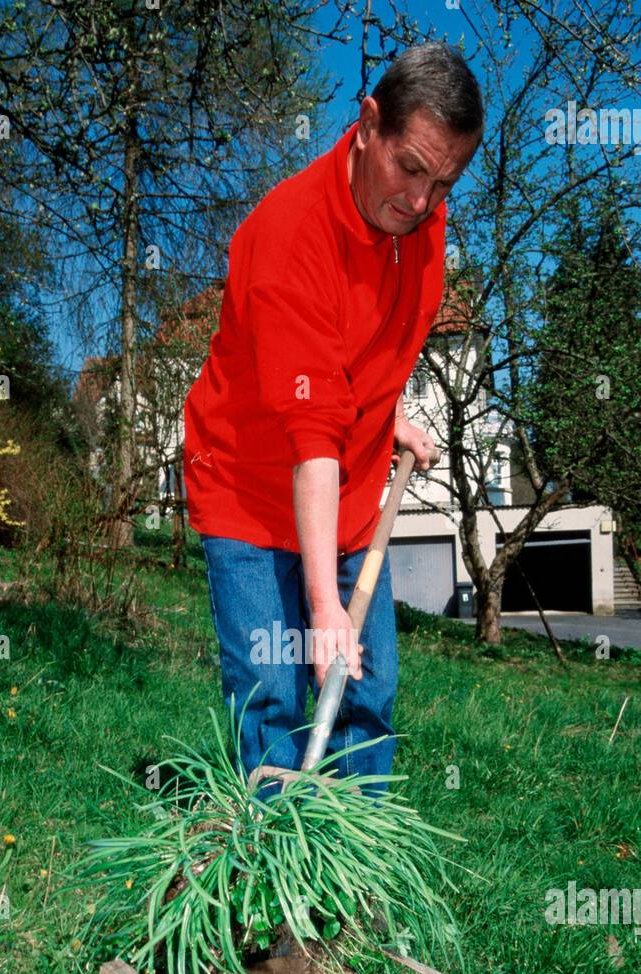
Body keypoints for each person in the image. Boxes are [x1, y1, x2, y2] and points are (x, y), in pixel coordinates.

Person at [184, 42, 483, 792]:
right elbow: (309, 433)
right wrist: (323, 609)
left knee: (365, 696)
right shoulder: (289, 237)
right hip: (249, 492)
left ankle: (353, 877)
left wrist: (383, 424)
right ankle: (273, 885)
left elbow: (362, 352)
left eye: (442, 182)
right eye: (409, 168)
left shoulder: (421, 224)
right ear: (367, 123)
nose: (419, 201)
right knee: (276, 695)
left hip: (341, 490)